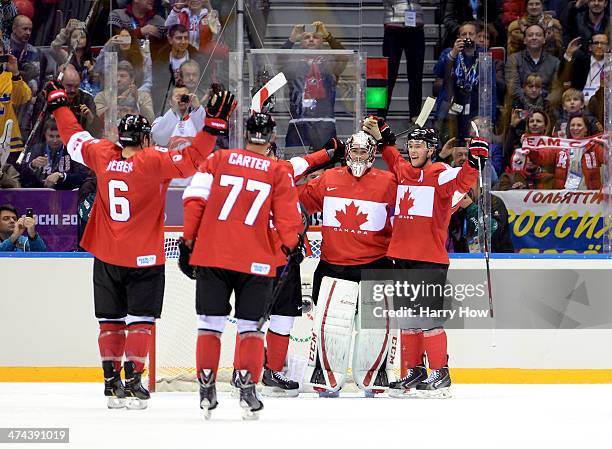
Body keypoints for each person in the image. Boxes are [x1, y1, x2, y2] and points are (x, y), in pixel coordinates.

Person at [43, 78, 234, 409]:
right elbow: (192, 160)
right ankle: (133, 381)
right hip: (144, 257)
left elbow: (73, 136)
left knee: (110, 321)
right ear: (145, 139)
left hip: (106, 256)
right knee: (141, 320)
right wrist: (213, 125)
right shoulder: (153, 161)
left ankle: (110, 383)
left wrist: (60, 104)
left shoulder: (102, 154)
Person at [181, 110, 304, 420]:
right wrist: (290, 246)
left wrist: (188, 241)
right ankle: (247, 387)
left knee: (210, 324)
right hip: (256, 259)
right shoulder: (278, 171)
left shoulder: (218, 159)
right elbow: (289, 220)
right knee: (251, 327)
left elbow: (194, 199)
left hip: (213, 253)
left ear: (245, 133)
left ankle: (206, 385)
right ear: (272, 137)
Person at [363, 117, 487, 398]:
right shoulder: (404, 170)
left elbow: (463, 179)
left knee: (429, 318)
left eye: (419, 146)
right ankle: (414, 370)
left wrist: (474, 162)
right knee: (407, 319)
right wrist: (383, 132)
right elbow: (390, 153)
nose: (413, 150)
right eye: (411, 145)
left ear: (431, 149)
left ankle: (440, 374)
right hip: (401, 257)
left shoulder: (441, 173)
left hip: (429, 259)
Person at [234, 112, 345, 397]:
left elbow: (309, 161)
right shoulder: (275, 169)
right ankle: (247, 371)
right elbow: (308, 162)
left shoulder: (257, 167)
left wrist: (331, 151)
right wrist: (331, 151)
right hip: (263, 255)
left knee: (279, 316)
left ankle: (263, 371)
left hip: (276, 256)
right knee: (257, 318)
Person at [299, 128, 397, 397]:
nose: (357, 155)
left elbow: (409, 210)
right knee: (331, 327)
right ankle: (326, 375)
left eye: (362, 151)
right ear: (346, 153)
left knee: (374, 330)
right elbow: (298, 200)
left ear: (372, 153)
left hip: (375, 265)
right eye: (353, 150)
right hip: (334, 265)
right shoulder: (328, 178)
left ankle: (375, 376)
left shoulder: (389, 181)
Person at [281, 22, 348, 150]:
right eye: (306, 37)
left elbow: (344, 57)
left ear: (322, 42)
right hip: (298, 124)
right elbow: (277, 61)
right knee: (296, 167)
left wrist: (328, 36)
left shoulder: (329, 65)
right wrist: (292, 39)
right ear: (301, 43)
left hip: (325, 126)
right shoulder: (293, 66)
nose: (311, 39)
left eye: (315, 37)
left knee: (326, 167)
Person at [379, 0, 425, 121]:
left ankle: (415, 114)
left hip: (416, 25)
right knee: (388, 74)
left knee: (416, 74)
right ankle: (380, 115)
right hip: (393, 24)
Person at [18, 118, 89, 189]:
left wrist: (62, 176)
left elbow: (83, 176)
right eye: (51, 136)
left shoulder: (72, 150)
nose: (55, 140)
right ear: (45, 135)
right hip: (38, 192)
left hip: (65, 193)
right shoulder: (35, 149)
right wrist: (32, 165)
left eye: (58, 136)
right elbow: (22, 177)